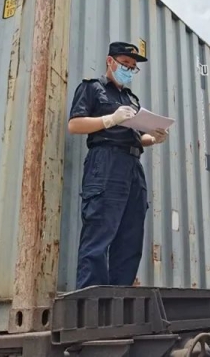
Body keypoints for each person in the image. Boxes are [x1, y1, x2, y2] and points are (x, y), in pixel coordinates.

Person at [68, 41, 169, 289]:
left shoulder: (131, 99)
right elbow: (75, 125)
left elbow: (137, 137)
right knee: (99, 233)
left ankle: (120, 298)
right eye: (125, 64)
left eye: (133, 67)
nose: (129, 69)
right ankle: (91, 300)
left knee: (130, 237)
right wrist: (109, 119)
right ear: (110, 61)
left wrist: (154, 138)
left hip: (133, 165)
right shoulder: (92, 88)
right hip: (105, 162)